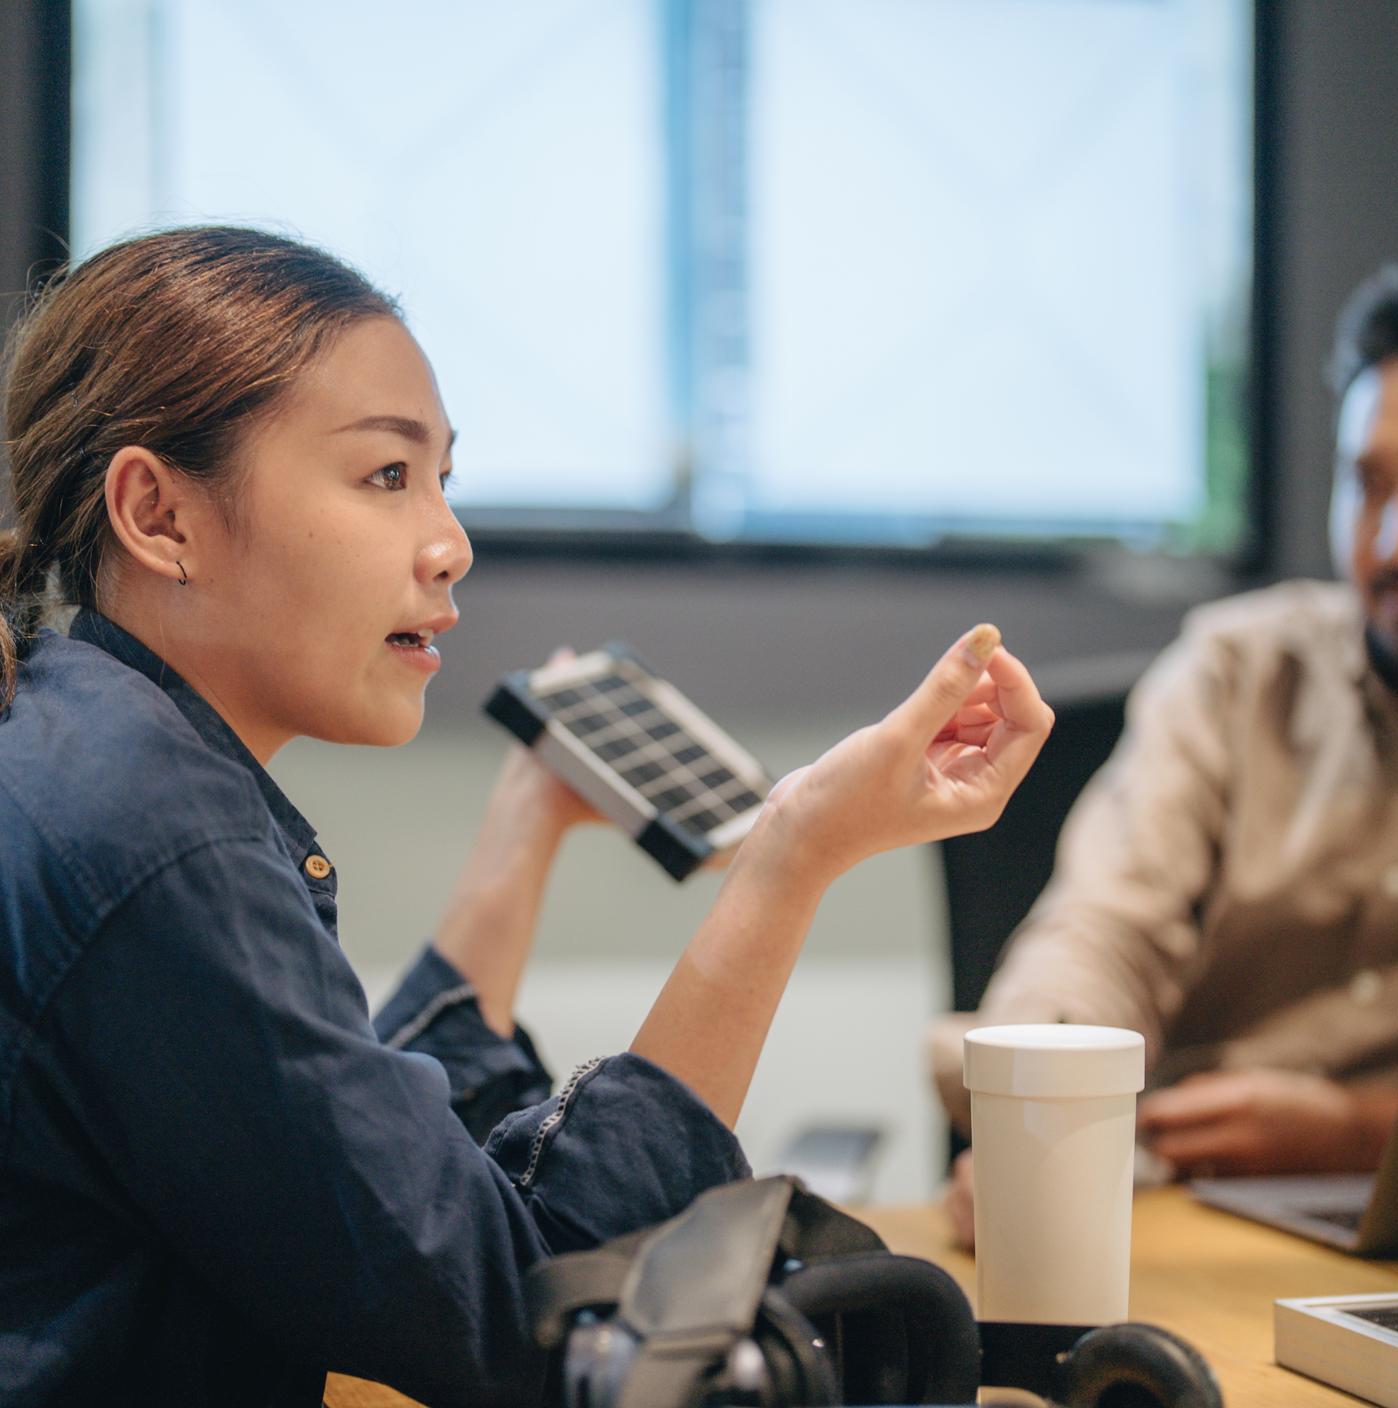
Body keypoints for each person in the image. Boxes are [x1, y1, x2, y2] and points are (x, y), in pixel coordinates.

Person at [0, 226, 1053, 1407]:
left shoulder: (76, 747)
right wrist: (792, 857)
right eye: (385, 475)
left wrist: (526, 825)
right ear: (159, 514)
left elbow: (340, 1154)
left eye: (443, 478)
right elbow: (523, 1312)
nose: (450, 545)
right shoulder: (156, 831)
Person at [934, 264, 1398, 1249]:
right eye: (1368, 486)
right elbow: (1105, 927)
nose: (1393, 542)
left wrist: (1357, 1131)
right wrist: (1048, 1116)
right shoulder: (1237, 671)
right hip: (1186, 1204)